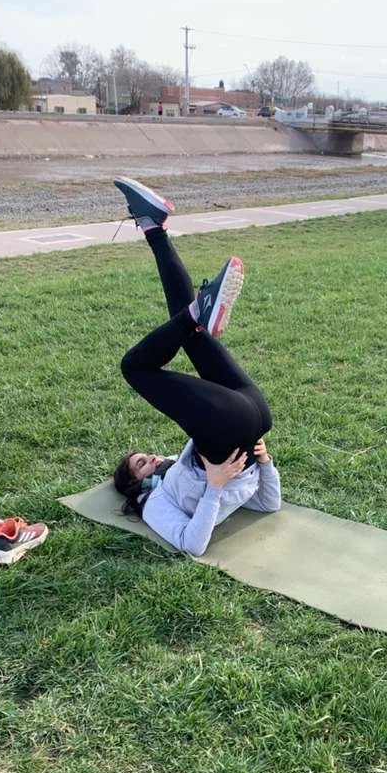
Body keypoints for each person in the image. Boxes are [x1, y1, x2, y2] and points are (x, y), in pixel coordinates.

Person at [112, 177, 281, 557]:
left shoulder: (176, 469)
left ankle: (154, 227)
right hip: (240, 428)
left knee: (189, 329)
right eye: (142, 463)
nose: (152, 458)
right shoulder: (154, 504)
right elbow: (195, 544)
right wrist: (240, 475)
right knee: (134, 368)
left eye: (146, 456)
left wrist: (221, 478)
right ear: (136, 485)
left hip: (249, 411)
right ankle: (195, 310)